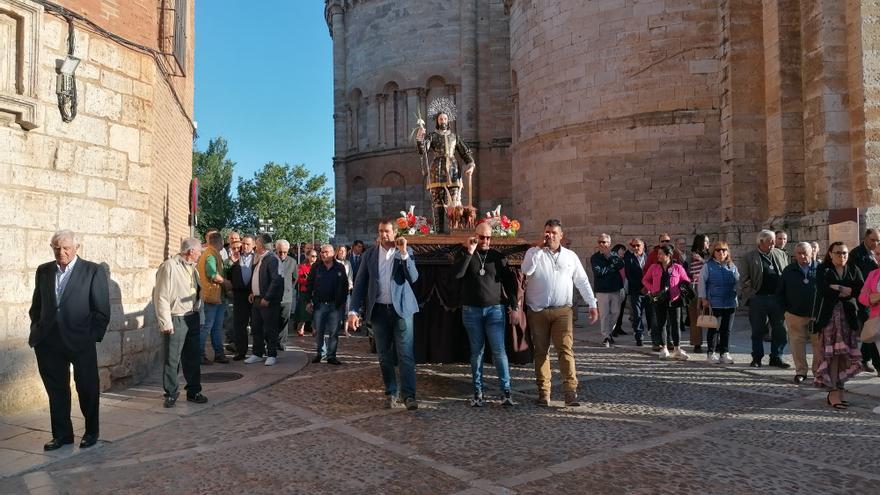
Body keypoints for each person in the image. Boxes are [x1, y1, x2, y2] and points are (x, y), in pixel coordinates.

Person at [29, 230, 110, 451]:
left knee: (87, 388)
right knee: (56, 391)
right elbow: (37, 304)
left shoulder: (93, 271)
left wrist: (90, 337)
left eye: (66, 248)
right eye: (56, 248)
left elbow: (101, 310)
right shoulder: (44, 271)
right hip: (49, 343)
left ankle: (91, 431)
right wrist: (36, 328)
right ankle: (62, 435)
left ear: (76, 248)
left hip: (80, 341)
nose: (61, 252)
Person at [522, 219, 598, 407]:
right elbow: (526, 270)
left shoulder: (570, 256)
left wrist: (592, 303)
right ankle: (544, 392)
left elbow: (581, 280)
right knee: (541, 352)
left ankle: (570, 391)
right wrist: (538, 249)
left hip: (562, 311)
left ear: (561, 235)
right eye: (547, 232)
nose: (550, 235)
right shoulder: (533, 252)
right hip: (538, 311)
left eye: (554, 232)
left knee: (565, 350)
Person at [348, 218, 420, 410]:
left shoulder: (404, 252)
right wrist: (353, 311)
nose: (383, 235)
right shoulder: (369, 255)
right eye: (380, 231)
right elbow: (360, 283)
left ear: (395, 233)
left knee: (405, 354)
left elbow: (413, 277)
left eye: (387, 231)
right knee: (383, 355)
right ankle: (391, 392)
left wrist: (404, 254)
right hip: (379, 311)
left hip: (402, 310)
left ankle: (409, 396)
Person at [455, 222, 519, 407]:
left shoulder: (497, 257)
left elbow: (509, 282)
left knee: (499, 351)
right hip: (471, 310)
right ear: (475, 236)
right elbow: (457, 274)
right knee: (477, 352)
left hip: (495, 310)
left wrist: (514, 306)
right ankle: (478, 391)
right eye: (481, 237)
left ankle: (506, 391)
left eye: (488, 237)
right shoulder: (464, 253)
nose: (485, 241)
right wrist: (469, 251)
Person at [153, 237, 207, 408]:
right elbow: (160, 296)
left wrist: (201, 316)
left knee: (192, 357)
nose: (200, 255)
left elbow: (198, 294)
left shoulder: (193, 269)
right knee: (172, 358)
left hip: (192, 317)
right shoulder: (169, 266)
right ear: (191, 251)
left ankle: (193, 391)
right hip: (176, 317)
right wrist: (165, 322)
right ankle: (170, 393)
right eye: (199, 251)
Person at [415, 99, 476, 234]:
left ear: (448, 120)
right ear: (437, 121)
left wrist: (471, 164)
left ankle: (455, 231)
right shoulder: (432, 136)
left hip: (453, 170)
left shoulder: (455, 136)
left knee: (455, 202)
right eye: (440, 118)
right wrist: (420, 138)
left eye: (445, 118)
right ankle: (439, 232)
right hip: (437, 170)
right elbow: (423, 150)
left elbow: (465, 152)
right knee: (438, 202)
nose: (443, 120)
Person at [814, 242, 864, 408]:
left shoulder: (853, 269)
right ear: (830, 254)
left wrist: (838, 287)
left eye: (844, 253)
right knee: (832, 356)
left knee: (845, 356)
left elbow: (860, 290)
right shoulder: (824, 270)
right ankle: (833, 393)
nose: (842, 256)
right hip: (830, 321)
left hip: (848, 320)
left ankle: (840, 391)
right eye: (838, 253)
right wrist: (846, 290)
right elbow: (823, 290)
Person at [738, 230, 790, 368]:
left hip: (777, 299)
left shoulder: (781, 254)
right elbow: (743, 279)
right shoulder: (748, 257)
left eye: (774, 240)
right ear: (761, 242)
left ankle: (776, 357)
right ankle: (757, 357)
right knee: (758, 330)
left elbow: (786, 275)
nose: (774, 243)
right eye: (770, 241)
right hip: (758, 299)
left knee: (780, 330)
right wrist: (753, 293)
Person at [777, 242, 819, 383]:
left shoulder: (820, 269)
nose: (802, 256)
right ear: (795, 255)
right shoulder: (789, 270)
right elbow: (780, 292)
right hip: (794, 314)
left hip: (816, 315)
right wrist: (785, 311)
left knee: (818, 344)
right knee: (797, 343)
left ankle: (818, 372)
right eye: (799, 253)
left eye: (805, 253)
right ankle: (801, 371)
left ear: (812, 252)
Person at [643, 244, 691, 360]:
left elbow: (686, 280)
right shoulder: (654, 267)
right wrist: (653, 289)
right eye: (658, 253)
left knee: (675, 324)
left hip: (675, 300)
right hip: (659, 299)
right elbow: (645, 279)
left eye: (660, 254)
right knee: (662, 324)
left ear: (668, 255)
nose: (658, 256)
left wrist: (682, 287)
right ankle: (664, 348)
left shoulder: (678, 267)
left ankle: (677, 349)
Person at [306, 244, 349, 365]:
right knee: (319, 331)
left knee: (334, 332)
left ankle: (331, 355)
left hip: (335, 305)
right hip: (320, 304)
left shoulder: (339, 267)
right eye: (322, 252)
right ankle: (320, 353)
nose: (323, 254)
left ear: (332, 253)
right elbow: (309, 284)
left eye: (326, 252)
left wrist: (342, 301)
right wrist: (309, 300)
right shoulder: (316, 267)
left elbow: (344, 286)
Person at [244, 234, 284, 366]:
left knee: (270, 328)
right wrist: (252, 292)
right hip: (256, 299)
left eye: (256, 243)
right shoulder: (260, 258)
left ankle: (272, 354)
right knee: (256, 327)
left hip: (268, 301)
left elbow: (276, 280)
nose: (255, 246)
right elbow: (257, 278)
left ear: (261, 245)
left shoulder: (272, 259)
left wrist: (267, 297)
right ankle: (257, 353)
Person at [698, 241, 738, 364]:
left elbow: (738, 282)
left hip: (730, 302)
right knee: (714, 329)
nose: (721, 252)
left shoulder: (732, 266)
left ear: (728, 252)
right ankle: (711, 353)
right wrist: (703, 298)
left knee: (726, 330)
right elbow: (702, 282)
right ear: (713, 252)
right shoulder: (708, 266)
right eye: (718, 250)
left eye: (724, 250)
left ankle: (724, 352)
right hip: (714, 302)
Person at [846, 228, 880, 374]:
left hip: (872, 298)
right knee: (871, 331)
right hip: (865, 301)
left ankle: (864, 359)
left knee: (871, 332)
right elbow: (855, 279)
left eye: (878, 240)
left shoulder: (874, 253)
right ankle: (876, 364)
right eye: (873, 240)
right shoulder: (856, 254)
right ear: (865, 238)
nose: (875, 243)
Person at [196, 232, 228, 364]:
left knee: (216, 326)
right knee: (207, 326)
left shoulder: (212, 254)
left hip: (217, 296)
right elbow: (212, 274)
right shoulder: (210, 255)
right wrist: (226, 282)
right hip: (211, 296)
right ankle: (199, 355)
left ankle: (219, 353)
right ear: (219, 242)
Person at [591, 234, 625, 347]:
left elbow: (620, 265)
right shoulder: (595, 257)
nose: (602, 244)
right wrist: (612, 267)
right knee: (604, 314)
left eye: (604, 242)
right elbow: (599, 272)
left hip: (615, 288)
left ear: (609, 243)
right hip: (602, 290)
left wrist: (609, 257)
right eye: (599, 242)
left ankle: (609, 332)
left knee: (616, 313)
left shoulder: (614, 255)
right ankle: (606, 336)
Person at [228, 235, 255, 360]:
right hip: (239, 294)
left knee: (257, 323)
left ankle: (258, 350)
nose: (245, 246)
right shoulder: (235, 258)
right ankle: (241, 351)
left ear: (253, 245)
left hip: (254, 294)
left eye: (248, 244)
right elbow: (228, 274)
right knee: (239, 324)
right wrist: (232, 263)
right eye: (243, 243)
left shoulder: (258, 258)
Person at [624, 238, 651, 346]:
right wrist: (641, 287)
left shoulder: (649, 257)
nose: (635, 248)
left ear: (643, 246)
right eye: (633, 246)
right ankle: (639, 336)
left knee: (651, 314)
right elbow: (629, 275)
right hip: (636, 290)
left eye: (638, 245)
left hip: (649, 291)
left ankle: (653, 333)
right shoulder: (629, 258)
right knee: (637, 314)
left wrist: (647, 287)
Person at [687, 235, 710, 353]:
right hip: (695, 287)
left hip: (709, 288)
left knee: (712, 315)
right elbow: (685, 271)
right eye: (706, 242)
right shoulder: (691, 256)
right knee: (695, 316)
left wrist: (702, 261)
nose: (708, 244)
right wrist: (692, 276)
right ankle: (697, 344)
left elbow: (713, 267)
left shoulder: (710, 256)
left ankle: (712, 343)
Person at [276, 239, 297, 350]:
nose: (282, 254)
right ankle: (272, 342)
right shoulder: (271, 260)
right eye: (280, 252)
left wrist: (289, 288)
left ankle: (282, 343)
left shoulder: (292, 262)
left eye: (285, 252)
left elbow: (295, 278)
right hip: (273, 297)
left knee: (284, 320)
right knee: (273, 320)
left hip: (286, 297)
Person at [293, 250, 318, 337]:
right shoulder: (302, 266)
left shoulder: (318, 267)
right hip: (305, 291)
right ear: (307, 256)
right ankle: (300, 328)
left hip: (315, 291)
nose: (314, 258)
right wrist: (307, 280)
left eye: (315, 256)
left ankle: (314, 328)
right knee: (304, 311)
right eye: (312, 256)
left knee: (315, 311)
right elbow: (299, 279)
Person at [336, 245, 354, 336]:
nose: (342, 252)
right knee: (337, 309)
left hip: (346, 290)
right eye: (341, 250)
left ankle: (345, 330)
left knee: (347, 309)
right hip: (336, 290)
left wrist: (350, 285)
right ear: (337, 251)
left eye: (344, 251)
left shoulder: (348, 263)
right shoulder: (334, 262)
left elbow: (350, 276)